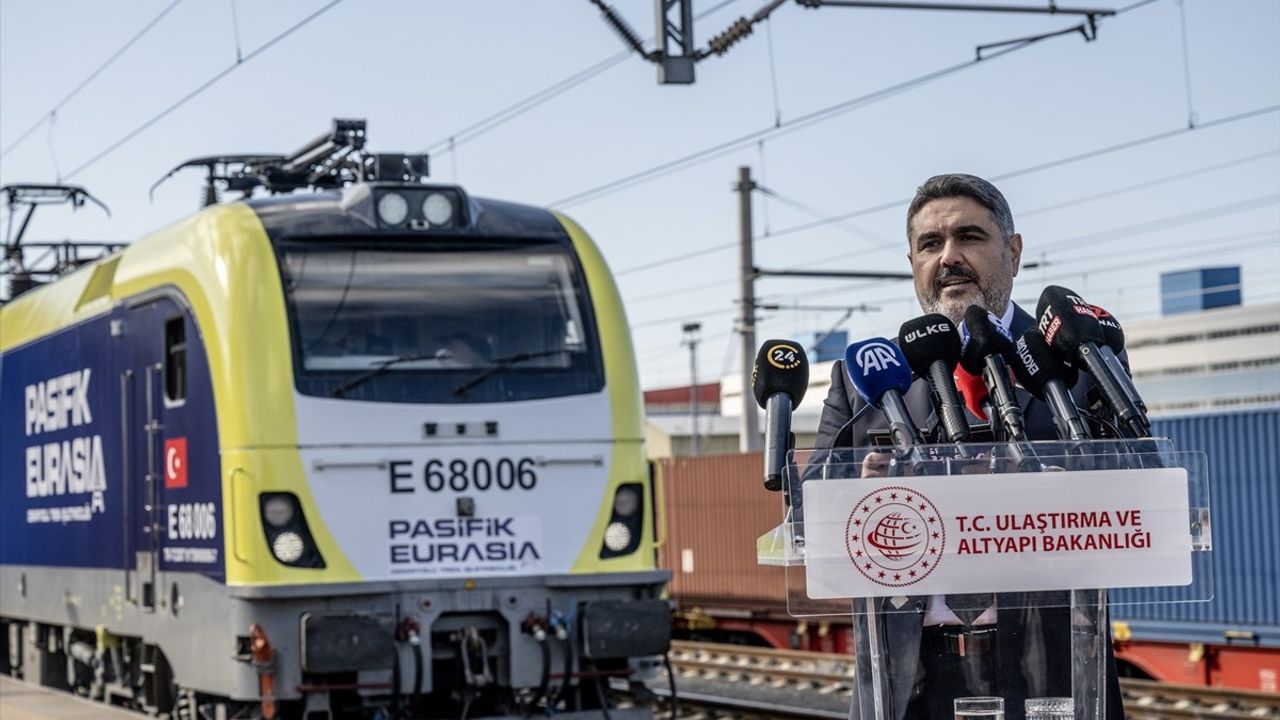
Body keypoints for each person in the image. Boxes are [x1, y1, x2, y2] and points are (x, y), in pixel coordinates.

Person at [809, 174, 1126, 719]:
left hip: (1056, 671)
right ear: (913, 262)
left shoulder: (1081, 360)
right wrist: (852, 504)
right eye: (931, 245)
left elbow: (1146, 495)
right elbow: (805, 511)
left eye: (970, 237)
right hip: (908, 681)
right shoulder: (864, 380)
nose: (949, 257)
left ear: (1014, 250)